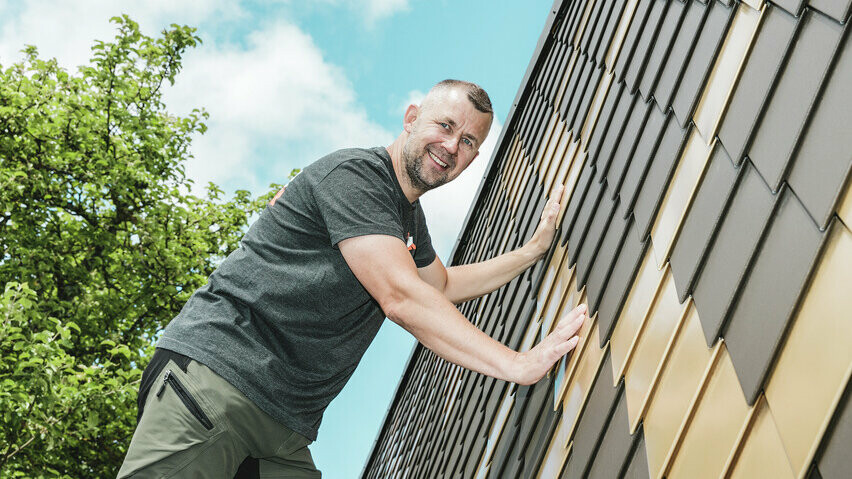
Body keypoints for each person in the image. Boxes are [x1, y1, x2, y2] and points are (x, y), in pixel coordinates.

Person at [117, 79, 586, 478]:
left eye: (467, 142)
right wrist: (518, 364)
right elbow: (401, 297)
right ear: (411, 118)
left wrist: (533, 251)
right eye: (445, 126)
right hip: (217, 384)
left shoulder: (405, 218)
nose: (451, 147)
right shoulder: (357, 176)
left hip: (282, 428)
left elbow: (437, 287)